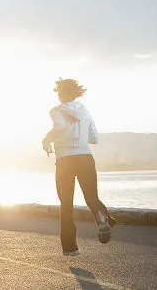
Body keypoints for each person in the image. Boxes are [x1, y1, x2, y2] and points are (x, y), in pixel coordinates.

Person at [42, 78, 116, 256]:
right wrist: (80, 136)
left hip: (66, 160)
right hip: (85, 157)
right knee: (91, 197)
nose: (58, 96)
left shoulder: (56, 111)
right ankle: (103, 219)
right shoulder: (85, 111)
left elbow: (59, 127)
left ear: (61, 94)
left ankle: (70, 248)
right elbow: (95, 138)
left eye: (59, 92)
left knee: (66, 203)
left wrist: (46, 140)